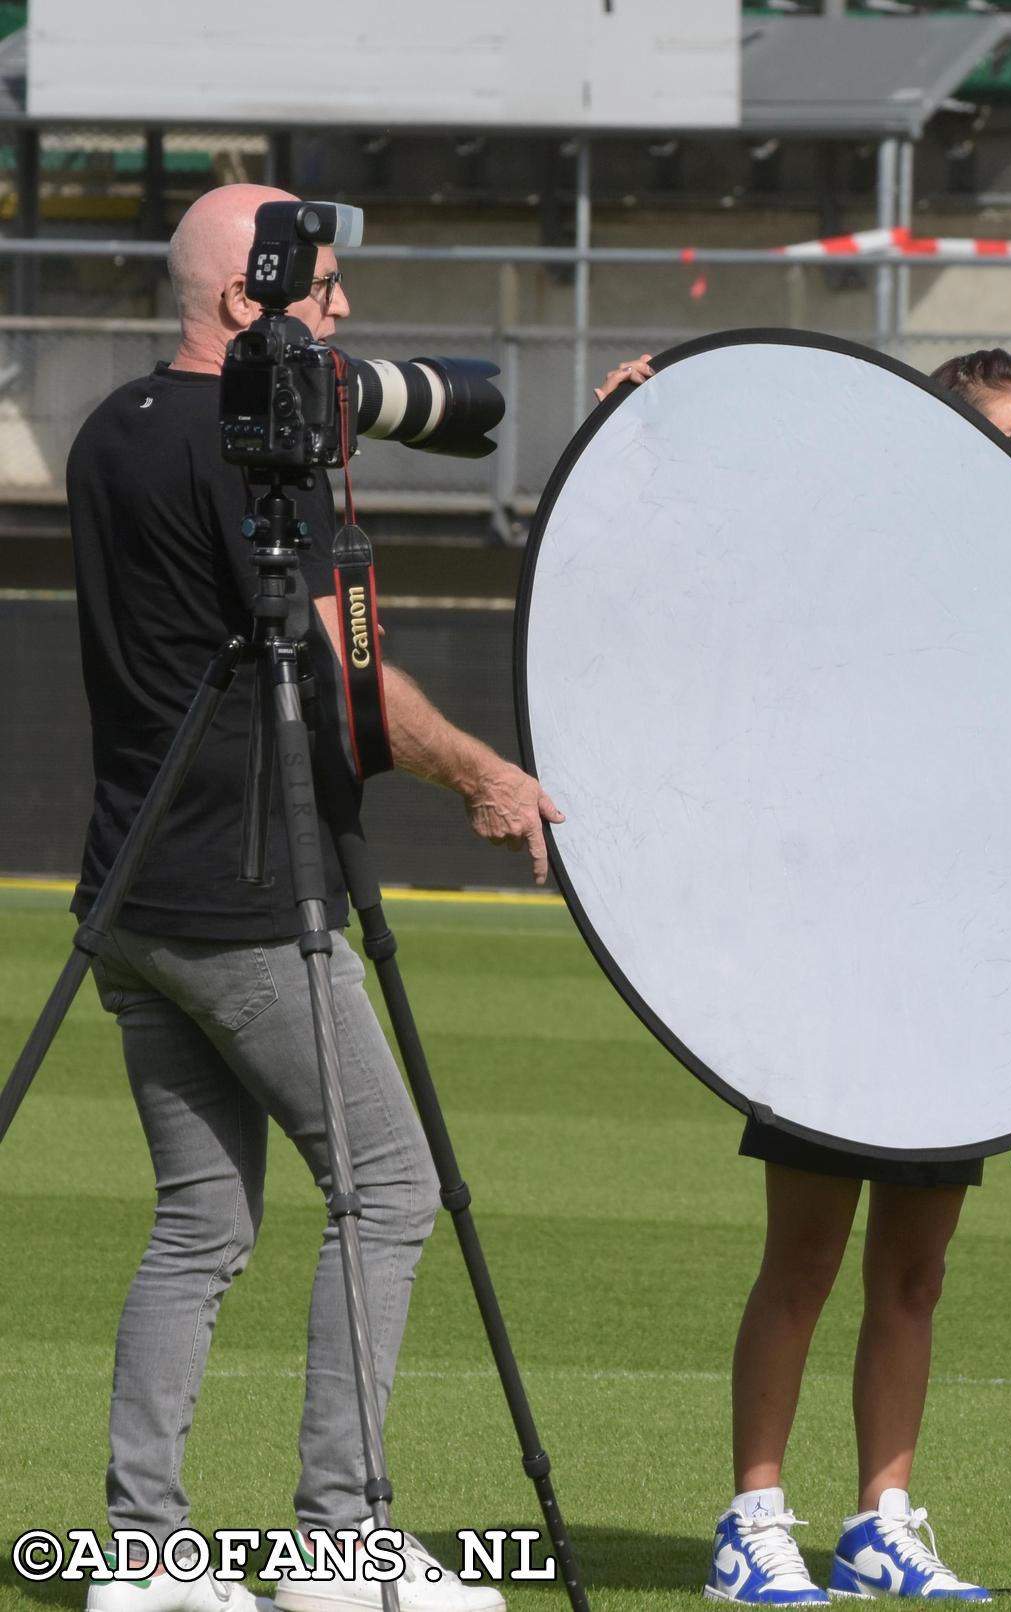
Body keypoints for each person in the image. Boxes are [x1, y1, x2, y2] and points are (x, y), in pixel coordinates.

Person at [595, 344, 1011, 1604]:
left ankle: (883, 1519)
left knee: (915, 1273)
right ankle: (752, 1520)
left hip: (957, 984)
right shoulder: (844, 568)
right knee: (805, 1260)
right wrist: (636, 432)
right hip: (836, 970)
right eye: (1005, 443)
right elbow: (702, 570)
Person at [69, 183, 562, 1612]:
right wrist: (482, 772)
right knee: (392, 1190)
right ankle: (340, 1541)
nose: (342, 315)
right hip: (248, 892)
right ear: (248, 300)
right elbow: (345, 686)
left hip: (133, 897)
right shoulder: (245, 467)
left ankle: (143, 1553)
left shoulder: (112, 433)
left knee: (199, 1227)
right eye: (321, 289)